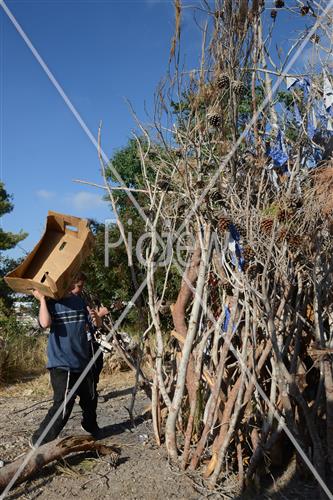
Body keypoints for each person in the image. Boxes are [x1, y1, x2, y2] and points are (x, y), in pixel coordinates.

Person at [30, 275, 102, 447]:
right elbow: (45, 323)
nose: (75, 287)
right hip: (62, 364)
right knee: (63, 404)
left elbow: (95, 326)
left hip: (83, 361)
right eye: (74, 284)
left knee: (90, 398)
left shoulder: (79, 302)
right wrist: (41, 300)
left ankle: (90, 426)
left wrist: (96, 317)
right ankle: (39, 440)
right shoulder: (52, 303)